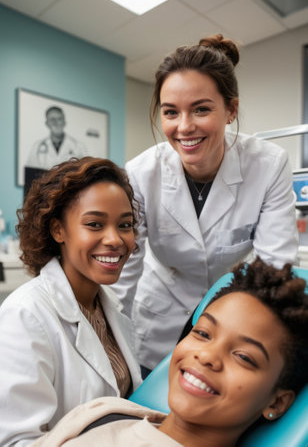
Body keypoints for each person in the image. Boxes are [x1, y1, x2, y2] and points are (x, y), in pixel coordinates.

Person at [111, 34, 299, 377]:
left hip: (230, 323)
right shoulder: (140, 174)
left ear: (231, 110)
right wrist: (106, 343)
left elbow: (276, 268)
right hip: (157, 323)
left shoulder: (268, 165)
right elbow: (123, 272)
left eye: (201, 109)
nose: (184, 127)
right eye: (171, 112)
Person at [32, 258, 308, 446]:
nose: (207, 355)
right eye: (202, 334)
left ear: (277, 403)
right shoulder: (109, 410)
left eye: (244, 357)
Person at [0, 157, 142, 446]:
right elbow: (16, 441)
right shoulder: (25, 315)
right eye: (94, 224)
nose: (115, 239)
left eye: (125, 225)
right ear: (58, 230)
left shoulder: (108, 305)